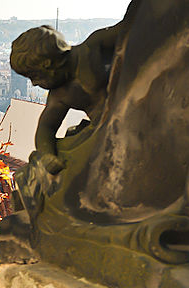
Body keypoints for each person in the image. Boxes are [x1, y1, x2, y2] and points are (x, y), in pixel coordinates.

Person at [10, 23, 119, 175]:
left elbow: (137, 25)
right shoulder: (60, 93)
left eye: (34, 76)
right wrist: (48, 155)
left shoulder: (95, 46)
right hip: (108, 131)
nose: (34, 83)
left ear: (47, 64)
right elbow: (46, 127)